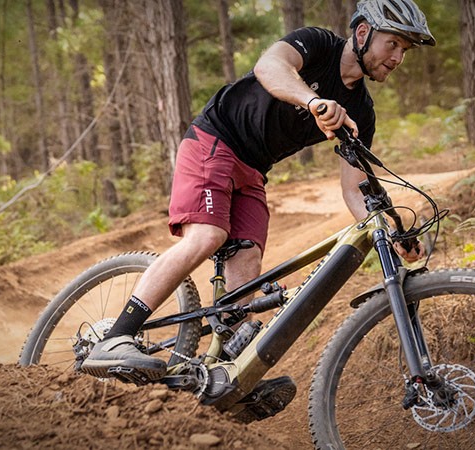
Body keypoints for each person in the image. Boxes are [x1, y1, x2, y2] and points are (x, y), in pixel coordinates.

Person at [80, 0, 436, 383]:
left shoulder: (361, 111)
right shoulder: (318, 44)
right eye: (394, 44)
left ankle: (219, 377)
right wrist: (313, 101)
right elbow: (269, 67)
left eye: (405, 50)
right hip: (215, 139)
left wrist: (390, 229)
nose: (399, 57)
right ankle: (116, 336)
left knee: (247, 267)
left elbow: (354, 189)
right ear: (364, 33)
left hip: (253, 170)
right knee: (208, 236)